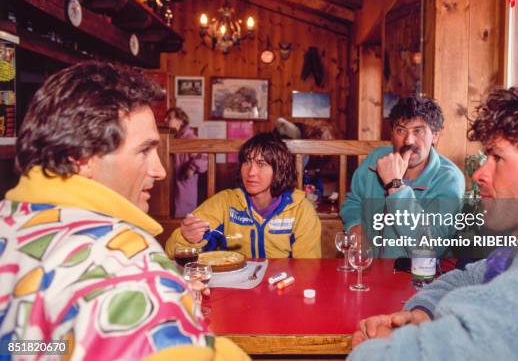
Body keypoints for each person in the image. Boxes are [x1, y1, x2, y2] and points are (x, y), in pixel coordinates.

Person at [0, 62, 248, 360]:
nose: (159, 171)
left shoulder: (9, 219)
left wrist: (167, 292)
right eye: (144, 150)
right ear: (82, 159)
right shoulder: (126, 261)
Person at [349, 82, 518, 360]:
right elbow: (471, 276)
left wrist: (376, 347)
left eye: (497, 157)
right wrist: (421, 313)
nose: (478, 174)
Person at [340, 96, 465, 257]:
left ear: (435, 135)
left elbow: (429, 247)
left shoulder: (449, 179)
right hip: (369, 272)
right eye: (401, 130)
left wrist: (395, 186)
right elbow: (353, 201)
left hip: (419, 277)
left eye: (418, 131)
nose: (408, 140)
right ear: (392, 133)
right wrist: (355, 226)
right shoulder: (375, 160)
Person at [165, 132, 322, 259]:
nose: (251, 172)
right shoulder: (225, 203)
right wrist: (186, 239)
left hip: (284, 290)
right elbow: (171, 252)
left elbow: (308, 269)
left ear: (279, 170)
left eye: (261, 164)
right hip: (233, 291)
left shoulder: (301, 210)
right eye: (247, 162)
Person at [165, 107, 208, 218]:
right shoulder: (174, 137)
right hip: (172, 183)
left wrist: (192, 168)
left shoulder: (190, 137)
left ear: (180, 120)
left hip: (185, 183)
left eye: (169, 118)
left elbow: (203, 157)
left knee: (184, 213)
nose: (166, 120)